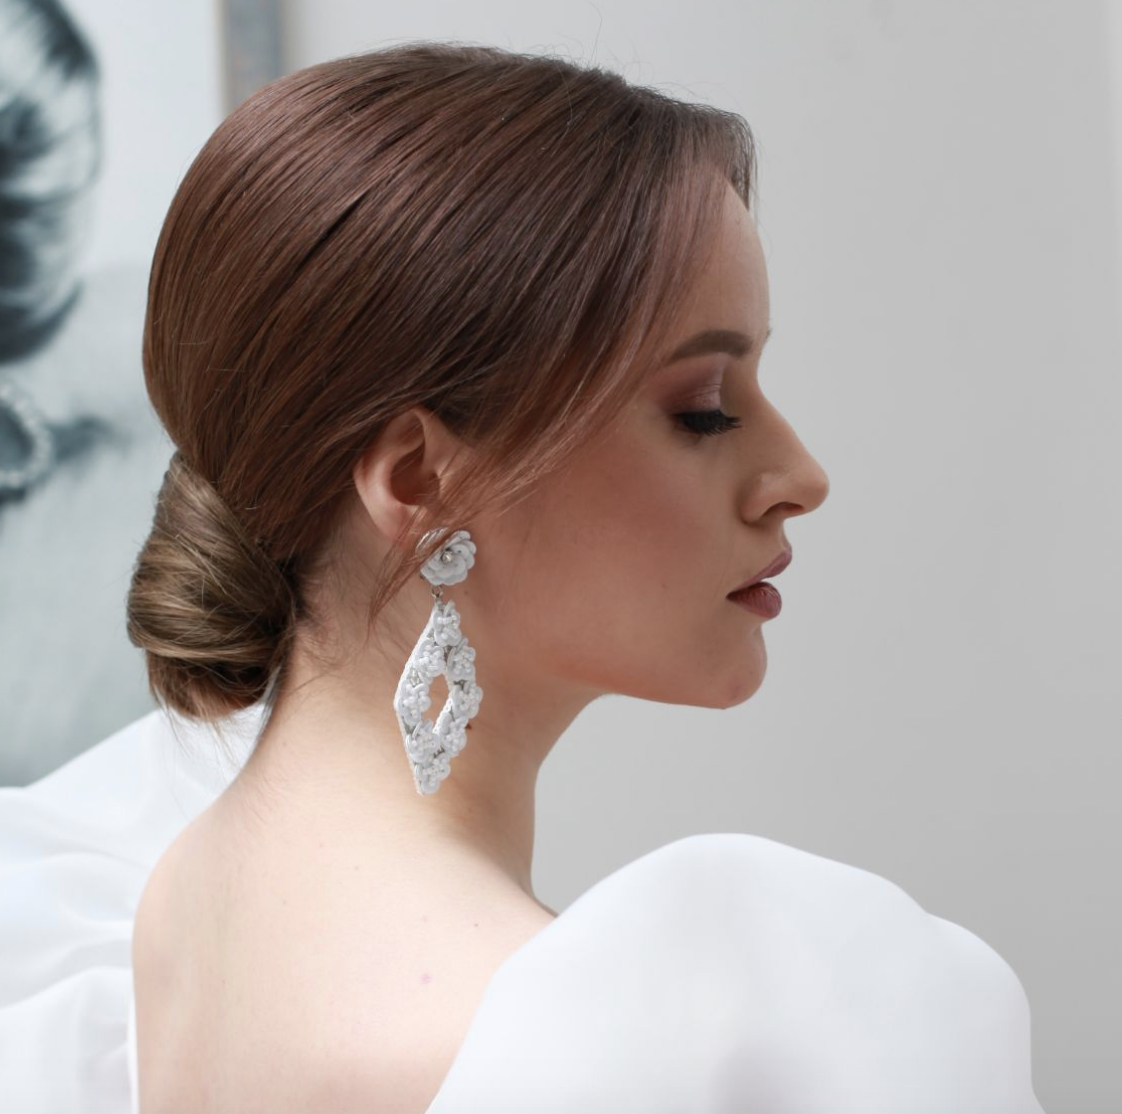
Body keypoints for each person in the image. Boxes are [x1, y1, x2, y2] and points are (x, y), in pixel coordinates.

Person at [0, 40, 1045, 1113]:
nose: (799, 476)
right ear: (419, 479)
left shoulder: (168, 890)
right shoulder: (653, 1058)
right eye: (705, 410)